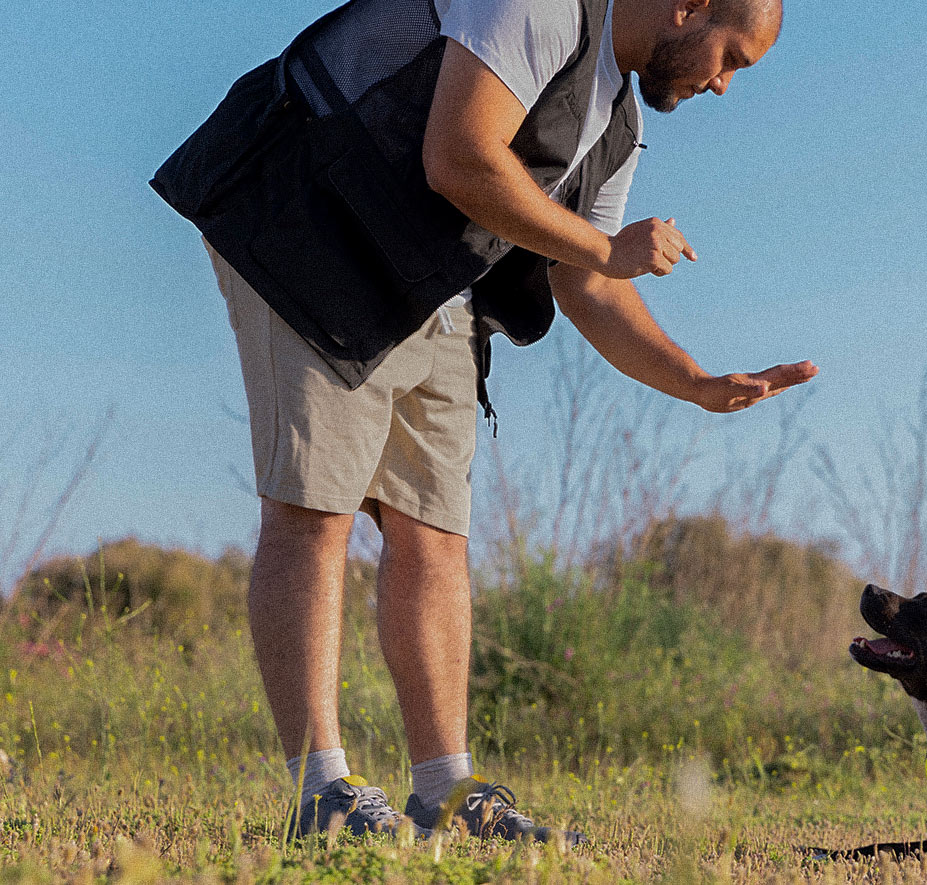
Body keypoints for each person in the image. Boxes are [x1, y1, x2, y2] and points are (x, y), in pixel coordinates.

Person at [151, 0, 812, 841]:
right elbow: (459, 155)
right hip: (309, 218)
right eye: (732, 60)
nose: (723, 85)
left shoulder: (616, 121)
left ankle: (447, 795)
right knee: (314, 511)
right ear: (689, 6)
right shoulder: (539, 6)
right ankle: (322, 793)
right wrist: (608, 249)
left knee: (434, 533)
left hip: (427, 278)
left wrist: (700, 383)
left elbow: (588, 282)